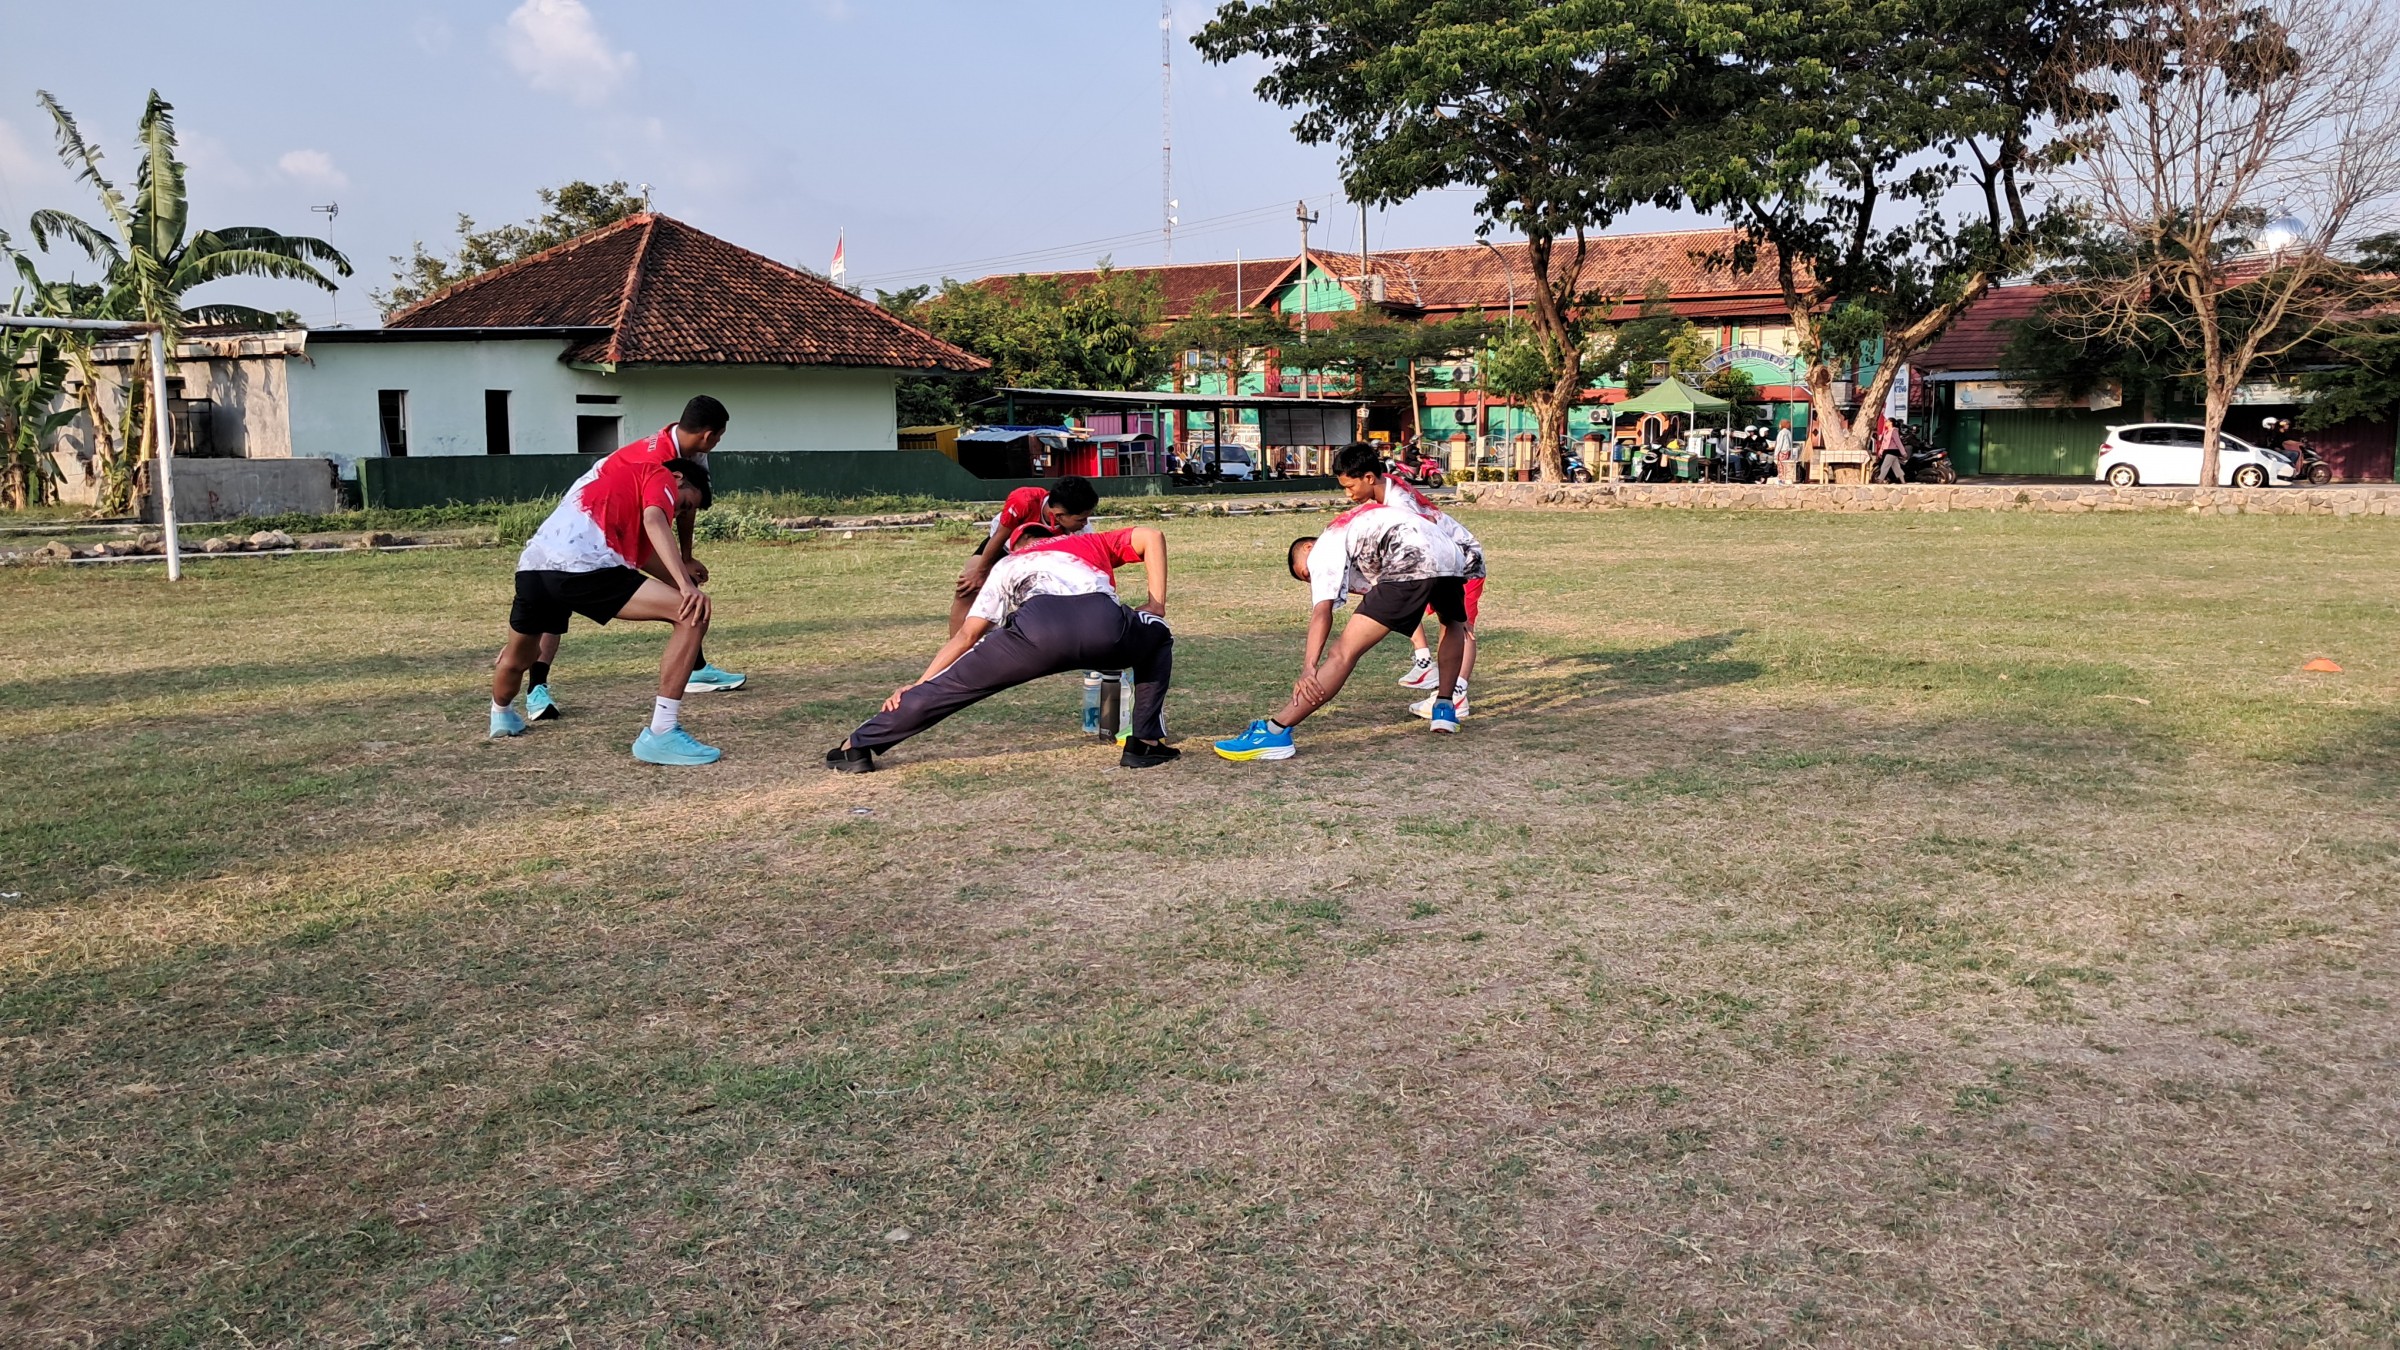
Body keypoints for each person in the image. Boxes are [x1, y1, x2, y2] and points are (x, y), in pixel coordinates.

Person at [827, 521, 1178, 772]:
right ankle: (1144, 744)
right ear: (1052, 535)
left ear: (1016, 545)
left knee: (951, 688)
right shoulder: (1086, 543)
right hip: (1102, 625)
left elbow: (966, 636)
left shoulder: (1007, 564)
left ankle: (856, 747)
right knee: (1157, 637)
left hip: (1033, 633)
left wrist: (920, 684)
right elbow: (1152, 536)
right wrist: (1156, 603)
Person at [1214, 460, 1476, 762]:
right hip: (1450, 553)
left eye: (1305, 574)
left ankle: (1275, 732)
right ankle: (1444, 707)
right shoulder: (1363, 527)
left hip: (1411, 556)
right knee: (1451, 623)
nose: (1311, 579)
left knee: (1342, 653)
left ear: (1308, 549)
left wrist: (1309, 667)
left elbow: (1322, 612)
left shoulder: (1325, 545)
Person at [522, 396, 745, 723]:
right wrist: (682, 576)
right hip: (591, 518)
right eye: (720, 437)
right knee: (554, 604)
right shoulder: (659, 461)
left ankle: (694, 669)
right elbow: (654, 519)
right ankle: (536, 688)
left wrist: (685, 558)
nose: (718, 443)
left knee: (686, 597)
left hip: (622, 521)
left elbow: (685, 508)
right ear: (709, 435)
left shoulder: (693, 457)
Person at [490, 449, 721, 765]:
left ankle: (501, 714)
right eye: (684, 505)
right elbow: (655, 520)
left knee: (520, 657)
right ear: (678, 478)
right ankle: (662, 732)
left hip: (532, 570)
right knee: (692, 613)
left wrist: (683, 578)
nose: (677, 512)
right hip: (582, 567)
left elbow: (644, 557)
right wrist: (685, 586)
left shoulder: (617, 490)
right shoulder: (660, 475)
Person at [950, 476, 1100, 634]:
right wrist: (979, 573)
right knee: (967, 589)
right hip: (1003, 546)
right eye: (1082, 519)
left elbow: (1089, 569)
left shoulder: (1082, 531)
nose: (1085, 523)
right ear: (1059, 515)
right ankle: (956, 647)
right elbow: (999, 537)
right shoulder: (1024, 500)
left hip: (1044, 559)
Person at [1873, 416, 1908, 483]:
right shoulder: (1886, 432)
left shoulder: (1894, 431)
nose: (1885, 422)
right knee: (1896, 467)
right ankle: (1903, 481)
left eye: (1887, 421)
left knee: (1885, 466)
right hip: (1887, 451)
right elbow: (1884, 443)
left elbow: (1898, 442)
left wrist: (1903, 452)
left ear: (1891, 423)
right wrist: (1880, 451)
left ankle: (1880, 480)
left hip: (1892, 451)